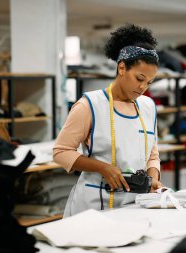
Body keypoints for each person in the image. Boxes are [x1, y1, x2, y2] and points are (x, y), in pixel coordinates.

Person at [53, 24, 163, 217]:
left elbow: (152, 155)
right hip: (93, 204)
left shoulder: (148, 106)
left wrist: (153, 176)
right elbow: (61, 152)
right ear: (122, 68)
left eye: (149, 82)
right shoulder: (90, 105)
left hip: (134, 202)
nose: (143, 87)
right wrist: (103, 168)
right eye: (139, 78)